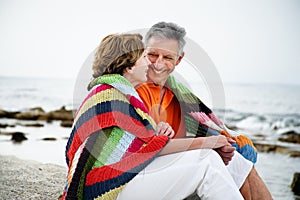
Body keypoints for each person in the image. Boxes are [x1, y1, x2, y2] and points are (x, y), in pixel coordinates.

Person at [60, 33, 245, 200]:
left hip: (119, 178)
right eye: (143, 57)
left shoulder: (118, 92)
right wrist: (207, 142)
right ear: (130, 66)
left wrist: (156, 133)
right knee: (206, 165)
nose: (149, 63)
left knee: (213, 159)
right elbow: (147, 149)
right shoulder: (110, 96)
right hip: (108, 187)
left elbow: (135, 143)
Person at [136, 21, 272, 199]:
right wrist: (208, 144)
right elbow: (147, 145)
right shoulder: (135, 88)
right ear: (143, 52)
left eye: (168, 58)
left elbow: (200, 127)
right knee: (222, 160)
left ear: (179, 59)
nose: (158, 64)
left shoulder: (178, 93)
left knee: (237, 157)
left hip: (177, 157)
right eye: (153, 55)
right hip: (148, 169)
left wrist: (221, 140)